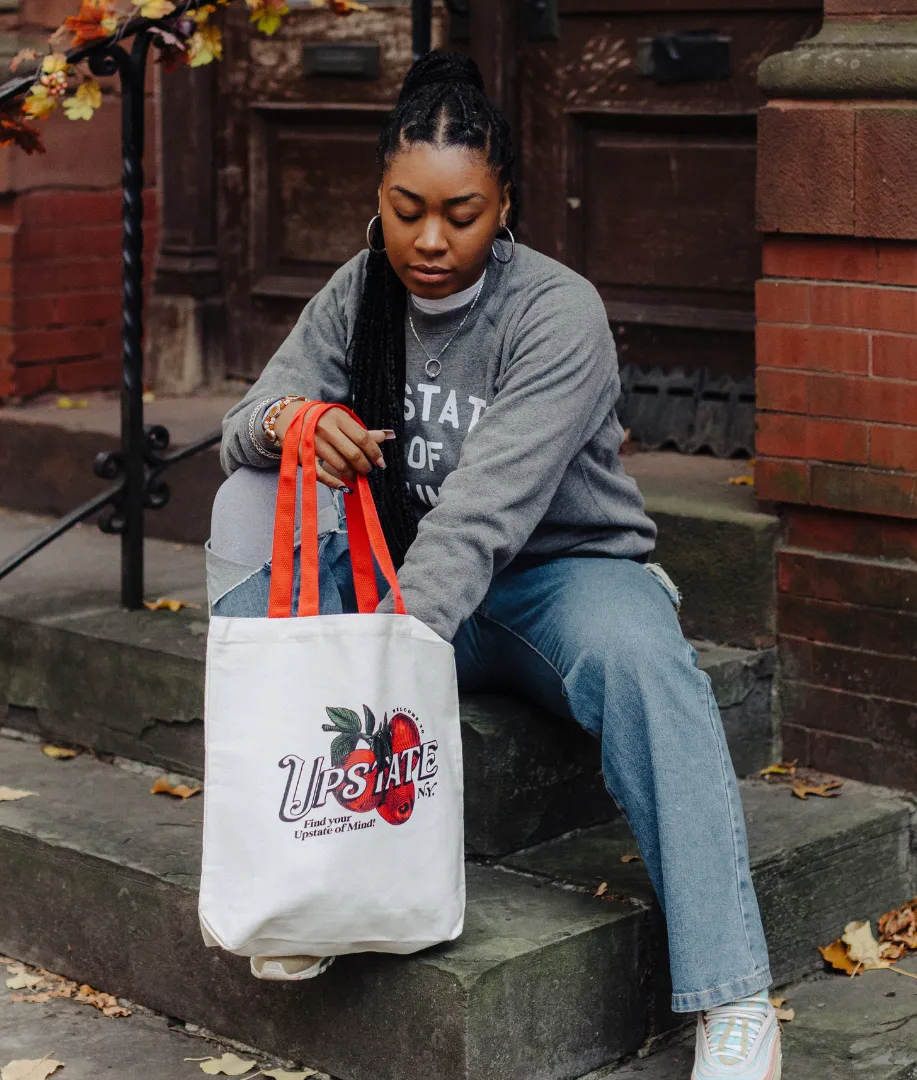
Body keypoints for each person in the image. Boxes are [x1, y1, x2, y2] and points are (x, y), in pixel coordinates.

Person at [206, 50, 780, 1080]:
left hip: (553, 579)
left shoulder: (555, 310)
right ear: (377, 197)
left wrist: (383, 669)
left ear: (505, 202)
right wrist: (295, 421)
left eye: (461, 213)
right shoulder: (357, 293)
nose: (430, 239)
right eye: (406, 208)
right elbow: (241, 428)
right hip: (405, 587)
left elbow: (484, 516)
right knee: (249, 492)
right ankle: (303, 874)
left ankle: (733, 994)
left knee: (648, 666)